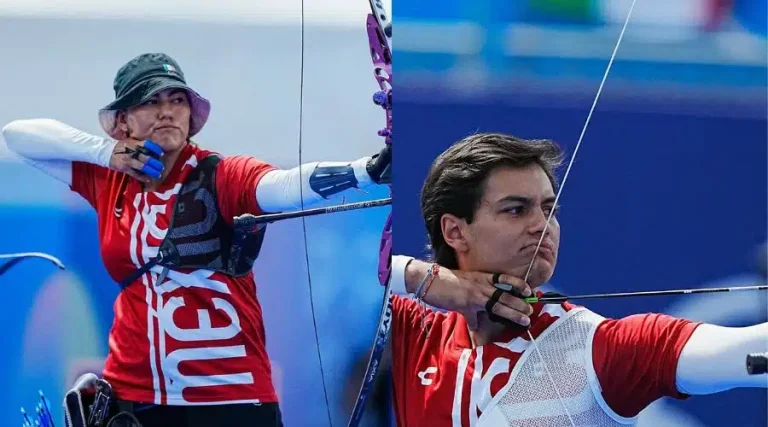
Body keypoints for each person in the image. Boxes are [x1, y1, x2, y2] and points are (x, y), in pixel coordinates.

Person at [1, 52, 390, 427]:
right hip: (135, 398)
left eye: (176, 100)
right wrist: (106, 153)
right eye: (150, 101)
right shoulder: (107, 180)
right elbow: (16, 135)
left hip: (229, 397)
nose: (167, 110)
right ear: (123, 121)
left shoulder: (220, 176)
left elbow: (282, 186)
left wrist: (364, 171)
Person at [385, 133, 766, 426]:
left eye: (549, 209)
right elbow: (329, 276)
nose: (542, 226)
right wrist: (419, 276)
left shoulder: (601, 349)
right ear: (454, 232)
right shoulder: (412, 328)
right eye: (516, 210)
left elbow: (741, 351)